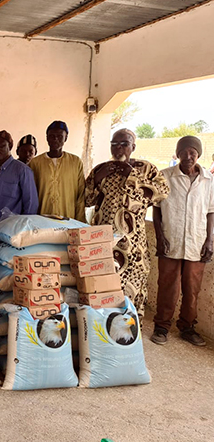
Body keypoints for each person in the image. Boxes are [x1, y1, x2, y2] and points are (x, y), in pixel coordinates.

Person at [85, 128, 169, 317]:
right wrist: (97, 179)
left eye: (124, 144)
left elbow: (162, 193)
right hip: (102, 239)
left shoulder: (146, 169)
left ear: (133, 146)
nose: (118, 148)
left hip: (133, 242)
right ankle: (102, 326)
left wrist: (132, 176)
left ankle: (130, 329)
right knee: (101, 283)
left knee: (133, 282)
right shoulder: (101, 169)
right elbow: (85, 200)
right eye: (114, 144)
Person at [152, 136, 212, 347]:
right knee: (167, 286)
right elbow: (157, 210)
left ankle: (187, 327)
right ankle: (161, 326)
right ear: (177, 154)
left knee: (192, 288)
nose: (188, 157)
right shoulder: (165, 176)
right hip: (171, 239)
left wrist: (209, 241)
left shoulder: (208, 180)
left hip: (197, 241)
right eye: (184, 152)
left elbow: (211, 212)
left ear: (198, 155)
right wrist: (160, 238)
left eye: (193, 153)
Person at [0, 130, 38, 246]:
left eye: (1, 145)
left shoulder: (22, 171)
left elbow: (31, 204)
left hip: (8, 233)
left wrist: (23, 234)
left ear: (10, 146)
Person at [28, 121, 85, 222]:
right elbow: (30, 196)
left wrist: (80, 223)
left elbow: (80, 196)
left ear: (66, 138)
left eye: (60, 136)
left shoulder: (75, 162)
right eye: (52, 136)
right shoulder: (35, 163)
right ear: (47, 138)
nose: (55, 139)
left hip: (68, 220)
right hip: (42, 220)